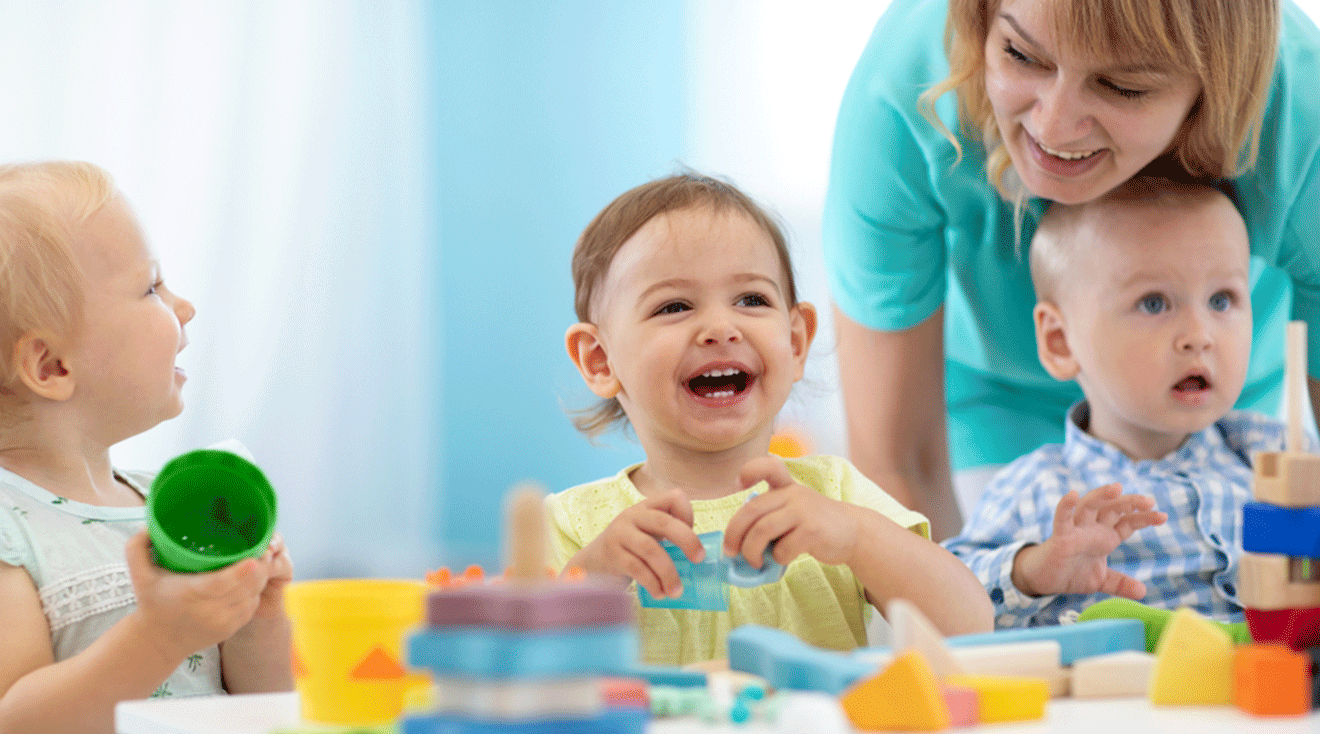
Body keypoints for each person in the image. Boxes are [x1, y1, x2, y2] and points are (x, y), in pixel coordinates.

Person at [824, 0, 1320, 541]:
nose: (1052, 127)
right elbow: (897, 461)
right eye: (1020, 55)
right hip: (996, 404)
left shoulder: (1302, 119)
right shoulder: (905, 89)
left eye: (1123, 86)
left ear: (1209, 88)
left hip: (1219, 408)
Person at [546, 172, 993, 666]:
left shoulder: (833, 497)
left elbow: (970, 626)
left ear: (796, 342)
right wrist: (595, 576)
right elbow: (518, 672)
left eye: (751, 300)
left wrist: (856, 537)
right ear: (600, 360)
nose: (720, 327)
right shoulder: (573, 525)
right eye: (674, 306)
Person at [0, 161, 293, 734]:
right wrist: (159, 636)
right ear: (52, 365)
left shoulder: (160, 504)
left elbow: (268, 701)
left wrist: (260, 613)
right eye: (151, 287)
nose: (183, 307)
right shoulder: (13, 531)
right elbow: (18, 722)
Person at [942, 179, 1293, 627]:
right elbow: (946, 594)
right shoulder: (1039, 490)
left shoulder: (1271, 457)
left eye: (1221, 300)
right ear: (1060, 341)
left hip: (1266, 689)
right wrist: (1034, 569)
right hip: (1120, 693)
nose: (1199, 336)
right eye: (1153, 303)